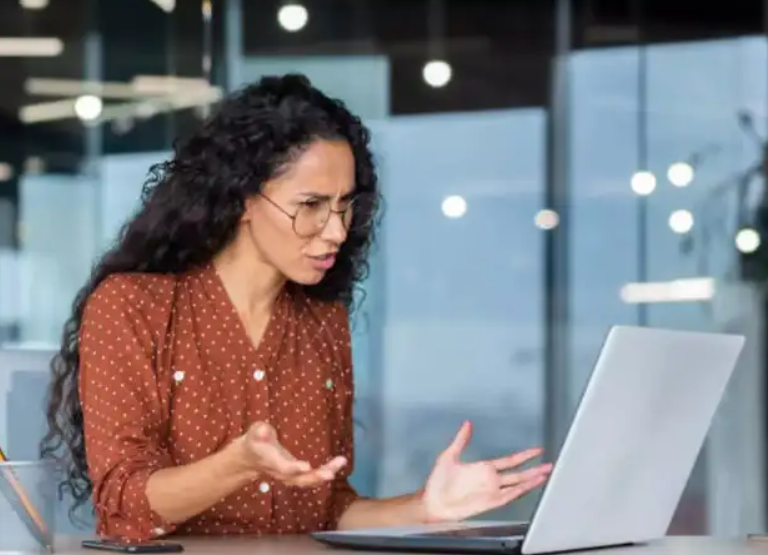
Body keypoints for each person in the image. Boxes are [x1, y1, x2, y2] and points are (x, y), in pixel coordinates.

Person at [39, 73, 552, 542]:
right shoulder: (133, 306)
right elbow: (125, 504)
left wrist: (425, 508)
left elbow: (328, 511)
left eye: (345, 206)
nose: (336, 231)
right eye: (311, 206)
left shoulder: (322, 322)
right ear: (242, 197)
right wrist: (237, 464)